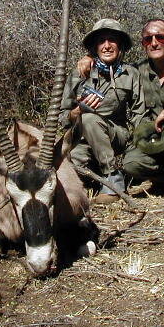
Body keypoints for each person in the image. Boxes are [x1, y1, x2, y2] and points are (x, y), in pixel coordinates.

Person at [78, 18, 164, 202]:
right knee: (131, 164)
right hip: (157, 141)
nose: (154, 43)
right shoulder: (136, 71)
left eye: (160, 37)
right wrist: (90, 59)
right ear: (143, 44)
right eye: (148, 39)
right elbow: (113, 68)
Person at [60, 19, 145, 204]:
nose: (107, 46)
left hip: (116, 135)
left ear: (120, 45)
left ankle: (113, 178)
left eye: (112, 40)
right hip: (83, 141)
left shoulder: (131, 73)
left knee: (90, 119)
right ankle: (98, 178)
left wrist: (141, 143)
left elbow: (139, 113)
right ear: (94, 47)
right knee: (70, 170)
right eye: (101, 41)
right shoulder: (79, 73)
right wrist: (75, 113)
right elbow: (62, 117)